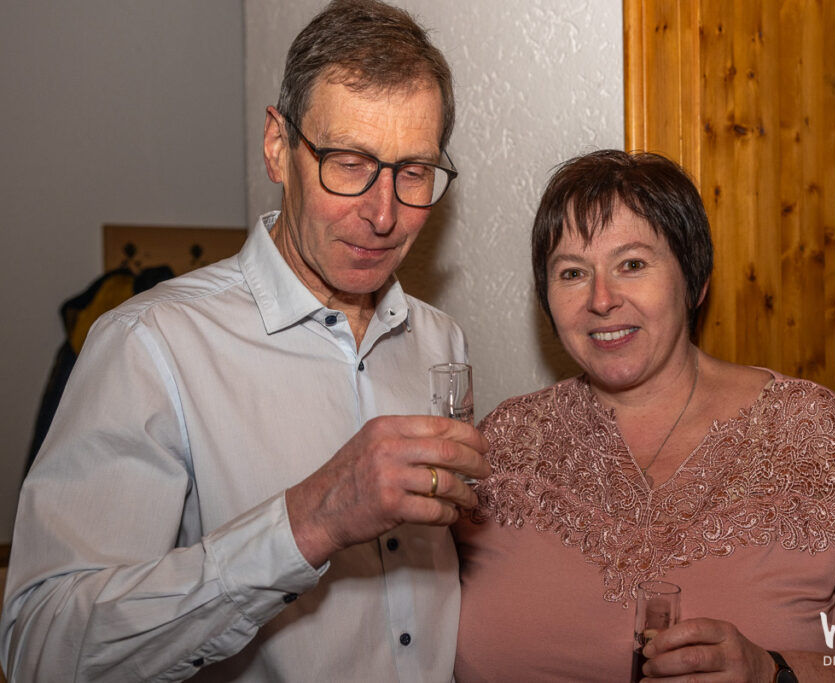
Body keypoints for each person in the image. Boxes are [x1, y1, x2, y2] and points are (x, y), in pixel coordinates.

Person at [0, 1, 489, 681]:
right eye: (349, 162)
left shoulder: (440, 339)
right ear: (277, 147)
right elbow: (41, 649)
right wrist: (308, 522)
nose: (383, 215)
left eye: (413, 172)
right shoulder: (149, 346)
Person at [454, 150, 835, 682]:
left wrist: (772, 672)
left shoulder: (825, 440)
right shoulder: (501, 446)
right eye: (572, 273)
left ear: (694, 281)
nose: (601, 299)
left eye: (632, 265)